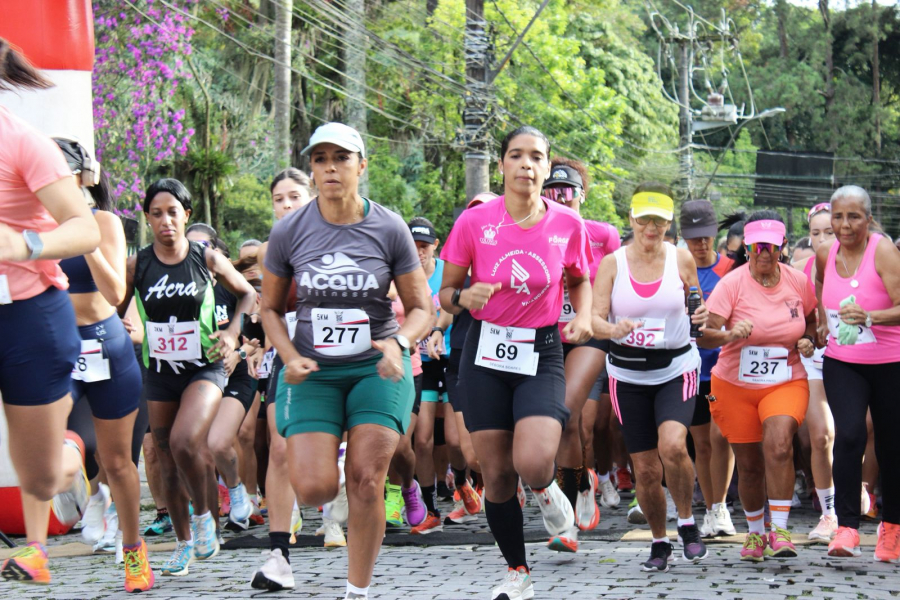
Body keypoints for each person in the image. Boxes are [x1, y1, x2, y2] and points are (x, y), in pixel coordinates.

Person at [261, 122, 432, 600]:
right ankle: (330, 459)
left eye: (341, 158)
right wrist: (289, 355)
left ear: (361, 165)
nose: (330, 168)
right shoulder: (289, 230)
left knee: (366, 479)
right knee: (314, 489)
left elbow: (422, 307)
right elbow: (269, 308)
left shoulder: (389, 227)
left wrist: (400, 343)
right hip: (312, 369)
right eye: (320, 159)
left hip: (377, 367)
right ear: (312, 169)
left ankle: (358, 589)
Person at [440, 125, 593, 599]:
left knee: (532, 459)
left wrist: (584, 315)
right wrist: (464, 297)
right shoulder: (474, 222)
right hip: (485, 351)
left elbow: (580, 279)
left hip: (540, 350)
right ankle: (517, 571)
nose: (526, 164)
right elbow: (446, 294)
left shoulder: (567, 224)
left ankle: (547, 489)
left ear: (546, 168)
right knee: (498, 474)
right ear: (501, 164)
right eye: (516, 155)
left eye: (536, 157)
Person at [0, 38, 101, 586]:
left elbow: (84, 228)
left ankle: (70, 452)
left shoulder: (24, 142)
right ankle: (33, 553)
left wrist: (24, 245)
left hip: (29, 316)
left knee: (38, 478)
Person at [120, 178, 255, 577]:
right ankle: (183, 544)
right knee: (165, 458)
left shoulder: (205, 258)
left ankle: (203, 518)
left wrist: (232, 333)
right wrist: (118, 325)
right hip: (160, 371)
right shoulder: (137, 265)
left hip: (204, 367)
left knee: (183, 441)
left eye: (173, 212)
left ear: (186, 216)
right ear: (147, 218)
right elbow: (115, 304)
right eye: (157, 214)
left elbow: (247, 294)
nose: (165, 221)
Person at [590, 183, 709, 573]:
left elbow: (697, 305)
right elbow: (594, 318)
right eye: (644, 220)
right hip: (627, 375)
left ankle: (687, 522)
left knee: (673, 445)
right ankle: (659, 541)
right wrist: (614, 329)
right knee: (644, 468)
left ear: (669, 224)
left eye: (659, 221)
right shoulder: (613, 264)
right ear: (632, 219)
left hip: (675, 369)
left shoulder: (681, 258)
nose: (651, 228)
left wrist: (702, 314)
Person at [53, 137, 154, 591]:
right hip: (57, 348)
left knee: (117, 460)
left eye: (58, 170)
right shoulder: (31, 226)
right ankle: (83, 489)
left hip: (105, 345)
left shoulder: (105, 222)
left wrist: (83, 233)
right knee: (57, 442)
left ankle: (133, 549)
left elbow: (115, 294)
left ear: (83, 176)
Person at [699, 211, 817, 561]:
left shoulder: (798, 282)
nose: (764, 253)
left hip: (785, 380)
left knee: (779, 445)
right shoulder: (732, 284)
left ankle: (779, 531)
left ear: (783, 247)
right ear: (747, 248)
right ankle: (754, 533)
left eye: (771, 246)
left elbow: (812, 320)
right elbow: (704, 336)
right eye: (756, 246)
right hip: (734, 384)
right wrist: (728, 335)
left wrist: (809, 339)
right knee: (749, 463)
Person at [816, 185, 900, 562]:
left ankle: (892, 526)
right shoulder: (825, 252)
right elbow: (821, 285)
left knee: (891, 446)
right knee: (848, 435)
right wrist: (821, 321)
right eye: (838, 216)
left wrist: (871, 316)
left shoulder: (883, 250)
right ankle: (847, 527)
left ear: (868, 219)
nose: (845, 225)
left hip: (890, 362)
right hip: (843, 361)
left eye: (853, 217)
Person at [543, 158, 620, 553]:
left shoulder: (604, 235)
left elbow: (621, 283)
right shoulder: (532, 232)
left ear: (582, 196)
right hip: (545, 336)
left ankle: (567, 522)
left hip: (589, 335)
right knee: (563, 426)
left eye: (567, 192)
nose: (560, 199)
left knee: (569, 415)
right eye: (551, 192)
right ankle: (582, 483)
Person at [251, 167, 314, 590]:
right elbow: (266, 308)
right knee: (278, 447)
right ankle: (279, 554)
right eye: (279, 199)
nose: (287, 205)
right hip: (288, 354)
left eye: (294, 196)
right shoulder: (269, 250)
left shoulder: (338, 236)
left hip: (339, 355)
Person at [185, 223, 261, 531]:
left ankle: (238, 489)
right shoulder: (176, 290)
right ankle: (206, 523)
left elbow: (257, 340)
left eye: (203, 246)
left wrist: (237, 352)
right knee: (195, 448)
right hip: (196, 377)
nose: (196, 252)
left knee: (219, 442)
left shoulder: (232, 288)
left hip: (235, 374)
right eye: (190, 246)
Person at [678, 199, 736, 539]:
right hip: (690, 370)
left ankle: (722, 506)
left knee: (721, 436)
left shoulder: (731, 268)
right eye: (693, 237)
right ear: (683, 235)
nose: (701, 243)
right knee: (701, 443)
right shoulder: (674, 267)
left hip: (723, 368)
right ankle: (712, 508)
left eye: (706, 236)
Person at [441, 192, 498, 528]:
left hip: (503, 356)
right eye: (474, 213)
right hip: (462, 354)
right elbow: (447, 303)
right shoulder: (459, 265)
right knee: (469, 450)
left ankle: (503, 492)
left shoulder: (511, 259)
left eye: (487, 211)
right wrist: (438, 330)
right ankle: (475, 485)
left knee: (504, 444)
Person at [791, 203, 838, 543]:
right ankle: (829, 513)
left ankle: (858, 489)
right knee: (819, 436)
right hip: (814, 360)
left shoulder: (867, 263)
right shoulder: (798, 271)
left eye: (829, 232)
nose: (822, 240)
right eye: (816, 233)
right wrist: (805, 337)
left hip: (857, 357)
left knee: (853, 433)